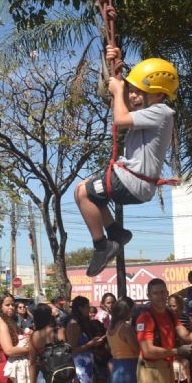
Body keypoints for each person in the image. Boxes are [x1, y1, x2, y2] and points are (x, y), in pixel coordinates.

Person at [75, 50, 178, 276]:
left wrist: (119, 88)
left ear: (160, 95)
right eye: (132, 91)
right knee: (91, 193)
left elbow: (120, 118)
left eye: (140, 93)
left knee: (83, 192)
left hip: (132, 182)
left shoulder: (161, 112)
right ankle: (115, 232)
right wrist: (118, 68)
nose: (132, 97)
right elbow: (120, 106)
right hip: (133, 182)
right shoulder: (152, 112)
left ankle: (102, 245)